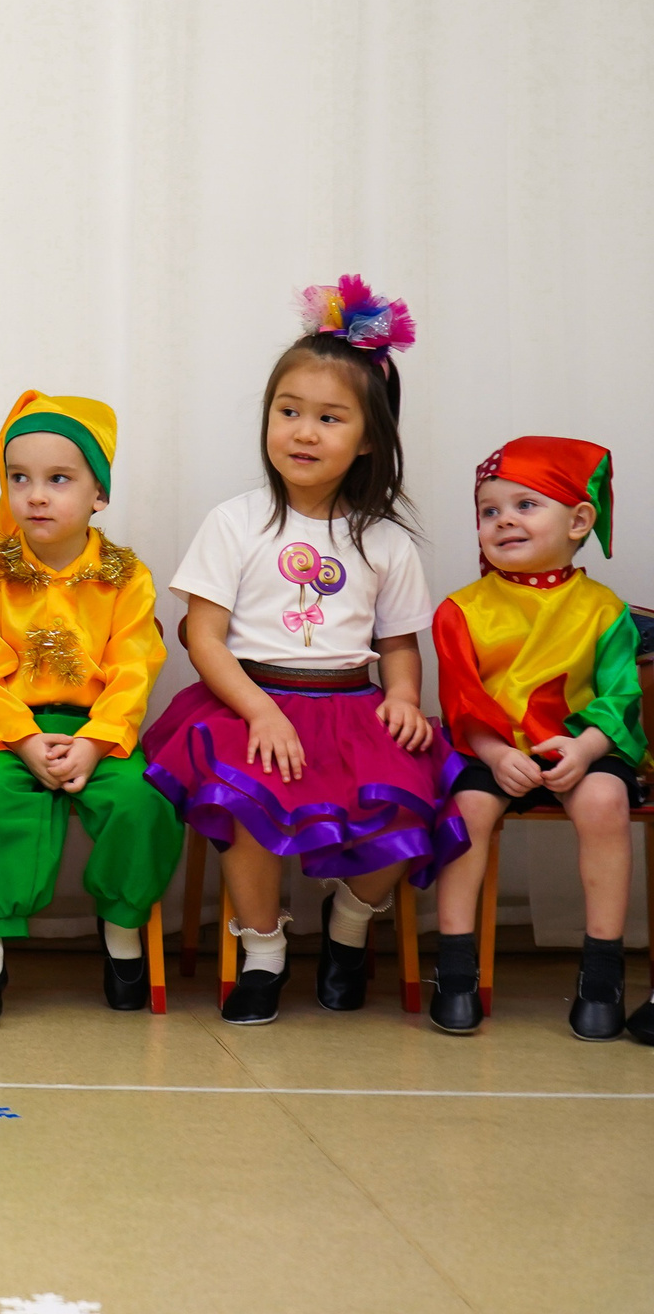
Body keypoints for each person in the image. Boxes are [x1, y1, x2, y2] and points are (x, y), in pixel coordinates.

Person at [141, 278, 462, 1025]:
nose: (304, 432)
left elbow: (398, 643)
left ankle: (351, 923)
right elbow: (202, 635)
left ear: (370, 438)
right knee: (248, 807)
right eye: (289, 413)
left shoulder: (384, 541)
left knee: (410, 797)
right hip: (247, 698)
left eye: (328, 417)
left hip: (351, 704)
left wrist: (405, 698)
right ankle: (262, 950)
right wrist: (258, 711)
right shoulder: (237, 521)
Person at [0, 391, 182, 1028]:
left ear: (98, 493)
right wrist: (23, 740)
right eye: (19, 479)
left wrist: (98, 740)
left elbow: (136, 666)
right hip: (6, 730)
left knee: (142, 801)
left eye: (59, 479)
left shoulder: (126, 576)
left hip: (100, 731)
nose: (36, 496)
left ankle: (123, 935)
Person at [424, 436, 642, 1037]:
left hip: (580, 747)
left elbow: (621, 695)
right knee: (466, 809)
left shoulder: (604, 609)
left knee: (605, 801)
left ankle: (602, 972)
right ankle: (456, 965)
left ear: (579, 520)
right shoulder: (461, 610)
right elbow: (462, 700)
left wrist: (588, 747)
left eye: (526, 505)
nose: (504, 521)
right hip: (489, 750)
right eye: (490, 511)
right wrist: (495, 754)